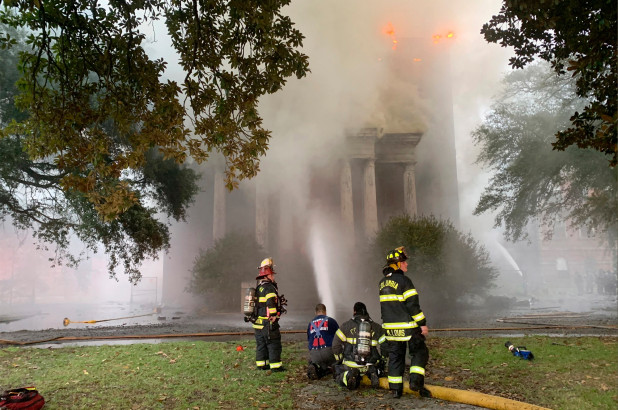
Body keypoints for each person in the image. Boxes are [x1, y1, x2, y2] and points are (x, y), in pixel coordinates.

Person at [379, 246, 431, 399]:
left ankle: (396, 390)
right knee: (420, 351)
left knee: (395, 357)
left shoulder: (382, 283)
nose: (406, 264)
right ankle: (415, 382)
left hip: (391, 330)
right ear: (396, 264)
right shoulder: (404, 281)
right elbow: (412, 305)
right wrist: (422, 323)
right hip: (408, 328)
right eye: (404, 262)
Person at [332, 302, 384, 390]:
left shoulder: (346, 326)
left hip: (351, 364)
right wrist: (382, 360)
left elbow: (335, 345)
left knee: (337, 375)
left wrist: (339, 358)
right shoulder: (377, 327)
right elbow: (385, 345)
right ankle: (373, 372)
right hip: (370, 363)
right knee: (377, 369)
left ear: (354, 311)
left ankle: (348, 375)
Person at [252, 257, 285, 372]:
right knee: (273, 344)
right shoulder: (269, 288)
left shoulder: (259, 288)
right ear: (267, 275)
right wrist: (274, 316)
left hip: (258, 323)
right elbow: (270, 303)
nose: (273, 277)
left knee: (261, 345)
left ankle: (262, 364)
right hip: (268, 323)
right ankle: (276, 367)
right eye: (272, 275)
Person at [306, 303, 340, 380]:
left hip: (314, 355)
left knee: (321, 365)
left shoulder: (310, 324)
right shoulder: (331, 321)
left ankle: (317, 368)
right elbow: (339, 338)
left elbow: (309, 340)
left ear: (315, 312)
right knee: (337, 363)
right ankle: (335, 368)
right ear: (325, 312)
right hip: (329, 352)